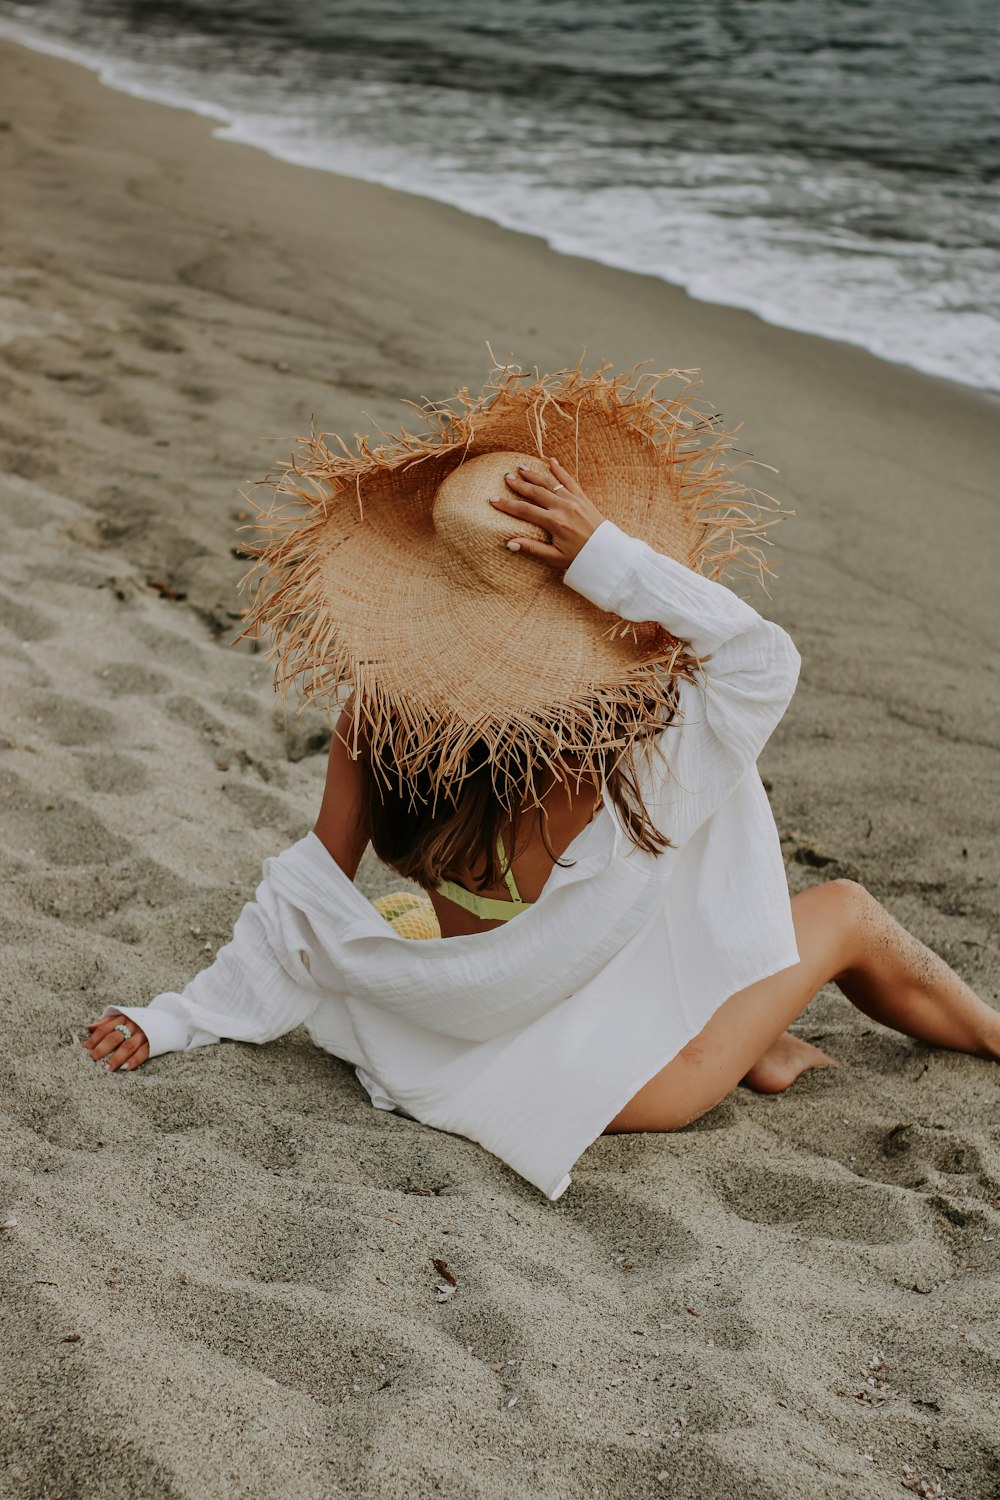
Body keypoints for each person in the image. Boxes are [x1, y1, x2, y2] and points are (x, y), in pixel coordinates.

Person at [81, 359, 999, 1200]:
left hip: (471, 1047)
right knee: (845, 910)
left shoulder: (383, 719)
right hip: (637, 1076)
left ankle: (762, 1043)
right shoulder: (646, 741)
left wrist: (176, 1019)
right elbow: (761, 658)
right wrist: (606, 556)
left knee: (450, 916)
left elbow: (305, 892)